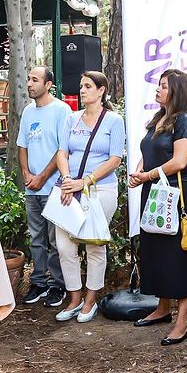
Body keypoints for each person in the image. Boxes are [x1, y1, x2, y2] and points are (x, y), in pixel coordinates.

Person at [128, 69, 187, 345]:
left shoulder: (185, 122)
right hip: (153, 190)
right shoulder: (158, 119)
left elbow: (179, 161)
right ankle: (162, 308)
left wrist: (147, 175)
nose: (157, 90)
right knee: (155, 251)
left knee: (176, 256)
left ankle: (182, 322)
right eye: (158, 85)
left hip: (175, 193)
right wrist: (139, 172)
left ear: (177, 91)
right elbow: (147, 154)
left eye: (164, 86)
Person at [54, 71, 125, 323]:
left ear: (101, 90)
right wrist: (66, 181)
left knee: (94, 245)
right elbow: (62, 152)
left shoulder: (113, 121)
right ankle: (74, 298)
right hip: (69, 189)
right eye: (81, 86)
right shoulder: (71, 119)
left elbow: (115, 158)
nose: (82, 90)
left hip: (100, 190)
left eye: (87, 86)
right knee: (64, 245)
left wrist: (85, 181)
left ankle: (90, 300)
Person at [17, 66, 70, 308]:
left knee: (55, 240)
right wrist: (27, 174)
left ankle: (57, 284)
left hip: (53, 188)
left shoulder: (61, 110)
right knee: (36, 239)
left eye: (35, 80)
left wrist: (42, 177)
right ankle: (38, 281)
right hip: (32, 189)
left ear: (48, 84)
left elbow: (62, 150)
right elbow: (22, 146)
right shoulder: (28, 112)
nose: (29, 83)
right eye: (28, 79)